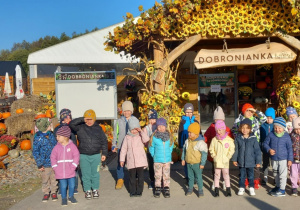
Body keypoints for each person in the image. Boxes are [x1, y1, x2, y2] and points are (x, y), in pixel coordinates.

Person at [69, 109, 107, 200]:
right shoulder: (80, 127)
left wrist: (104, 153)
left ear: (94, 119)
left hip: (96, 155)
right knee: (86, 174)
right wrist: (82, 119)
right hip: (84, 155)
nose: (89, 121)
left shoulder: (99, 128)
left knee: (95, 173)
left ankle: (95, 189)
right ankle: (87, 190)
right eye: (87, 119)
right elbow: (71, 124)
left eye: (91, 119)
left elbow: (104, 142)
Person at [232, 103, 266, 189]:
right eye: (248, 111)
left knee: (255, 164)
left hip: (254, 144)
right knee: (243, 162)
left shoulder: (255, 119)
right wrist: (239, 139)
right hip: (243, 144)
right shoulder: (239, 120)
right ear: (243, 111)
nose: (250, 113)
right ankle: (244, 180)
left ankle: (254, 181)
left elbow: (264, 118)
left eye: (251, 111)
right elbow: (234, 130)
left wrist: (256, 111)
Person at [204, 106, 234, 190]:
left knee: (225, 169)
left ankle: (225, 182)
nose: (218, 121)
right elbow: (206, 137)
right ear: (214, 120)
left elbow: (231, 139)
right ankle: (215, 181)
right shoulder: (211, 128)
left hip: (224, 153)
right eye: (216, 119)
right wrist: (204, 144)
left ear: (223, 120)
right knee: (215, 168)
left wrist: (229, 153)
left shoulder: (226, 129)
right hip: (215, 152)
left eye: (220, 119)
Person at [263, 117, 293, 197]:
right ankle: (278, 186)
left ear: (283, 128)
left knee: (283, 174)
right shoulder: (271, 134)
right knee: (275, 173)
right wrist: (269, 150)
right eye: (275, 127)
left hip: (283, 159)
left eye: (279, 128)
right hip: (274, 158)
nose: (277, 129)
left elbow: (290, 148)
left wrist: (290, 159)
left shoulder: (286, 136)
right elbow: (265, 144)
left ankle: (282, 190)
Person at [120, 117, 149, 197]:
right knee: (132, 178)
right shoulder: (127, 137)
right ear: (129, 129)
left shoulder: (140, 135)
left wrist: (141, 131)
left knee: (140, 177)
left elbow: (146, 140)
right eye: (132, 129)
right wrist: (122, 160)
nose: (134, 131)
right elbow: (123, 149)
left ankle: (139, 191)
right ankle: (132, 191)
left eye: (135, 129)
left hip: (140, 161)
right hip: (131, 161)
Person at [51, 126, 80, 206]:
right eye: (57, 136)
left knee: (72, 185)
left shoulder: (72, 146)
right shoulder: (56, 147)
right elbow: (53, 157)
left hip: (70, 170)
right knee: (63, 186)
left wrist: (73, 166)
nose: (57, 138)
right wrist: (55, 167)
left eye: (58, 136)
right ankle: (64, 198)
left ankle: (71, 196)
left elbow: (76, 156)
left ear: (65, 137)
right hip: (60, 171)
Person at [112, 101, 138, 190]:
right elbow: (116, 133)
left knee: (134, 162)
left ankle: (135, 177)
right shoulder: (119, 121)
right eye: (125, 111)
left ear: (131, 111)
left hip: (132, 145)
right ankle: (120, 178)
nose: (126, 112)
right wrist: (114, 144)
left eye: (128, 110)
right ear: (122, 111)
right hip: (121, 145)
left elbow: (138, 132)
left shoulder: (135, 120)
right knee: (120, 162)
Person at [232, 119, 262, 196]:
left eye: (247, 128)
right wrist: (234, 159)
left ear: (250, 129)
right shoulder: (238, 138)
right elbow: (236, 150)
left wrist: (258, 161)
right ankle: (241, 187)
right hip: (241, 162)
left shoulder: (253, 138)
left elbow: (257, 151)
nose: (245, 130)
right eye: (243, 128)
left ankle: (251, 188)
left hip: (251, 162)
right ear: (240, 128)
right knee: (242, 176)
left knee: (251, 176)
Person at [53, 108, 79, 194]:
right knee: (61, 169)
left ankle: (74, 187)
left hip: (72, 151)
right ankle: (62, 187)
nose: (70, 119)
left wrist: (70, 124)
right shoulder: (58, 128)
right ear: (63, 118)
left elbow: (77, 129)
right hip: (62, 152)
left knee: (74, 169)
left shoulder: (72, 127)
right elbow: (56, 138)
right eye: (68, 117)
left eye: (70, 117)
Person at [32, 118, 58, 202]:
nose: (51, 126)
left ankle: (54, 191)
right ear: (45, 127)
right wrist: (39, 164)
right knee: (45, 179)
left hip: (54, 162)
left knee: (54, 178)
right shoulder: (38, 138)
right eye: (49, 125)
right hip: (44, 163)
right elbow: (36, 152)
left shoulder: (51, 135)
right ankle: (46, 192)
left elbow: (56, 146)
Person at [209, 120, 235, 197]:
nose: (218, 131)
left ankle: (228, 189)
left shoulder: (229, 140)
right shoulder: (214, 139)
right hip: (217, 161)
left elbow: (232, 149)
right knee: (216, 175)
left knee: (226, 175)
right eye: (217, 130)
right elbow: (211, 148)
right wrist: (214, 156)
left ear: (224, 129)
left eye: (220, 130)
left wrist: (228, 157)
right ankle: (216, 190)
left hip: (225, 161)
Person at [149, 118, 174, 198]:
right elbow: (151, 147)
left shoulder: (169, 136)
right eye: (159, 126)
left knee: (166, 175)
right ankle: (158, 187)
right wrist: (154, 155)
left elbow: (171, 145)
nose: (161, 128)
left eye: (163, 126)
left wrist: (169, 153)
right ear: (157, 127)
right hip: (157, 160)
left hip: (166, 160)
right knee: (158, 175)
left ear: (165, 126)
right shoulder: (154, 137)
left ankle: (166, 188)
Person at [181, 123, 208, 197]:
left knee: (198, 177)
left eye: (190, 132)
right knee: (190, 177)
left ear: (196, 133)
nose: (189, 134)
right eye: (188, 132)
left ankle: (200, 190)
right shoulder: (187, 141)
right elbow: (184, 150)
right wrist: (183, 159)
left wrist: (202, 163)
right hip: (189, 163)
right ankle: (190, 188)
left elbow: (204, 154)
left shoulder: (200, 143)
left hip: (197, 163)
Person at [178, 103, 199, 179]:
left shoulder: (196, 122)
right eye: (187, 112)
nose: (188, 114)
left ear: (192, 112)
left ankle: (195, 176)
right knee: (187, 161)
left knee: (195, 160)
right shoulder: (182, 122)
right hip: (186, 144)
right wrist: (180, 146)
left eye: (190, 112)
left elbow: (199, 133)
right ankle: (188, 176)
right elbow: (180, 135)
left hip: (195, 144)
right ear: (184, 112)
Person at [259, 107, 275, 185]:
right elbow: (260, 137)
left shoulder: (275, 126)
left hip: (273, 148)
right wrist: (261, 146)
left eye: (270, 118)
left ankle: (275, 178)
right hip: (265, 148)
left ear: (273, 118)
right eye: (267, 118)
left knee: (274, 164)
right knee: (265, 163)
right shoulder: (262, 126)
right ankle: (265, 177)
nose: (268, 120)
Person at [143, 109, 158, 189]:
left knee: (158, 165)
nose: (152, 121)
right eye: (151, 119)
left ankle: (159, 180)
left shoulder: (158, 127)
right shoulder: (146, 128)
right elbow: (144, 138)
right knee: (151, 166)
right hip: (150, 150)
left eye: (154, 119)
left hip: (158, 150)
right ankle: (152, 180)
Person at [290, 117, 300, 196]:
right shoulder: (291, 135)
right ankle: (294, 187)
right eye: (296, 129)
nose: (298, 131)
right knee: (293, 173)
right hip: (293, 158)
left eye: (299, 129)